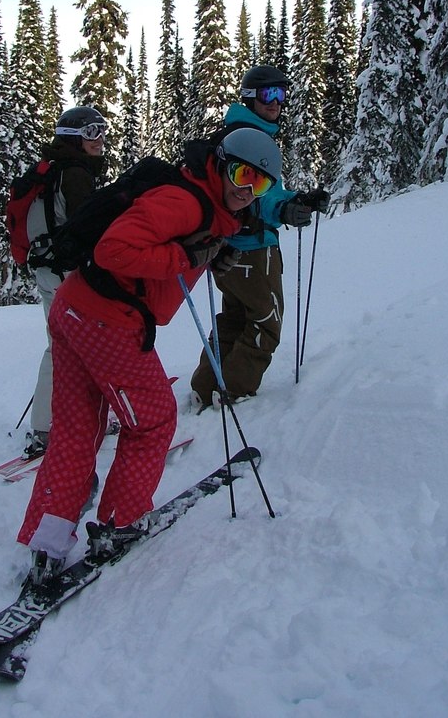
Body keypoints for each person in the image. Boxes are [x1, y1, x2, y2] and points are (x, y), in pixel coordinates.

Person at [17, 127, 283, 580]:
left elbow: (167, 250)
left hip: (74, 310)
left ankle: (48, 540)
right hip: (106, 320)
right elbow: (114, 250)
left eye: (258, 183)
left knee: (77, 430)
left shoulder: (203, 201)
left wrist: (202, 256)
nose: (245, 189)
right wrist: (184, 256)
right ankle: (118, 524)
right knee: (155, 418)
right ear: (219, 164)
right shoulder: (184, 201)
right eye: (240, 174)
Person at [189, 64, 329, 410]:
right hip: (253, 249)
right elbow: (255, 196)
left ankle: (205, 386)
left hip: (227, 248)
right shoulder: (250, 135)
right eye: (269, 94)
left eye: (282, 94)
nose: (277, 102)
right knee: (266, 322)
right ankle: (233, 391)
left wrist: (296, 200)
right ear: (250, 97)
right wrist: (284, 210)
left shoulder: (235, 131)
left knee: (235, 318)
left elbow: (262, 192)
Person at [22, 106, 107, 458]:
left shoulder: (48, 170)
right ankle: (70, 422)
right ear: (74, 138)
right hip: (67, 275)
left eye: (101, 130)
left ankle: (46, 424)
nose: (100, 139)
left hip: (46, 271)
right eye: (91, 133)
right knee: (92, 343)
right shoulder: (74, 174)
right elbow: (86, 224)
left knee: (59, 346)